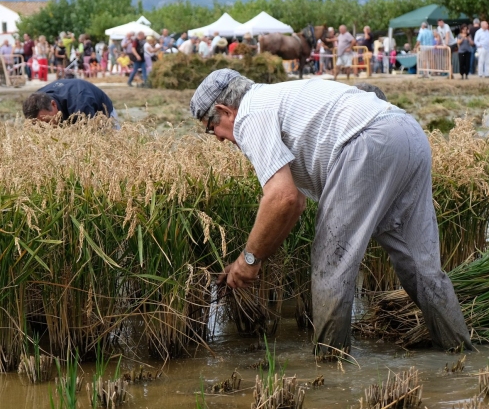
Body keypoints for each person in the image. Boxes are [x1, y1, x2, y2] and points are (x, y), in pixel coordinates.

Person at [190, 69, 471, 353]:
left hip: (367, 141)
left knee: (332, 263)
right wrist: (257, 256)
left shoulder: (250, 113)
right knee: (420, 266)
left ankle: (330, 369)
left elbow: (282, 197)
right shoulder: (280, 96)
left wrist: (248, 260)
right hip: (408, 132)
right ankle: (458, 355)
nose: (218, 139)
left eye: (211, 128)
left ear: (225, 110)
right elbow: (294, 201)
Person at [22, 79, 117, 125]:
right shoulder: (38, 96)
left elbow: (88, 139)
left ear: (53, 104)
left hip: (103, 114)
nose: (47, 127)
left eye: (47, 121)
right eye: (40, 125)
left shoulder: (81, 106)